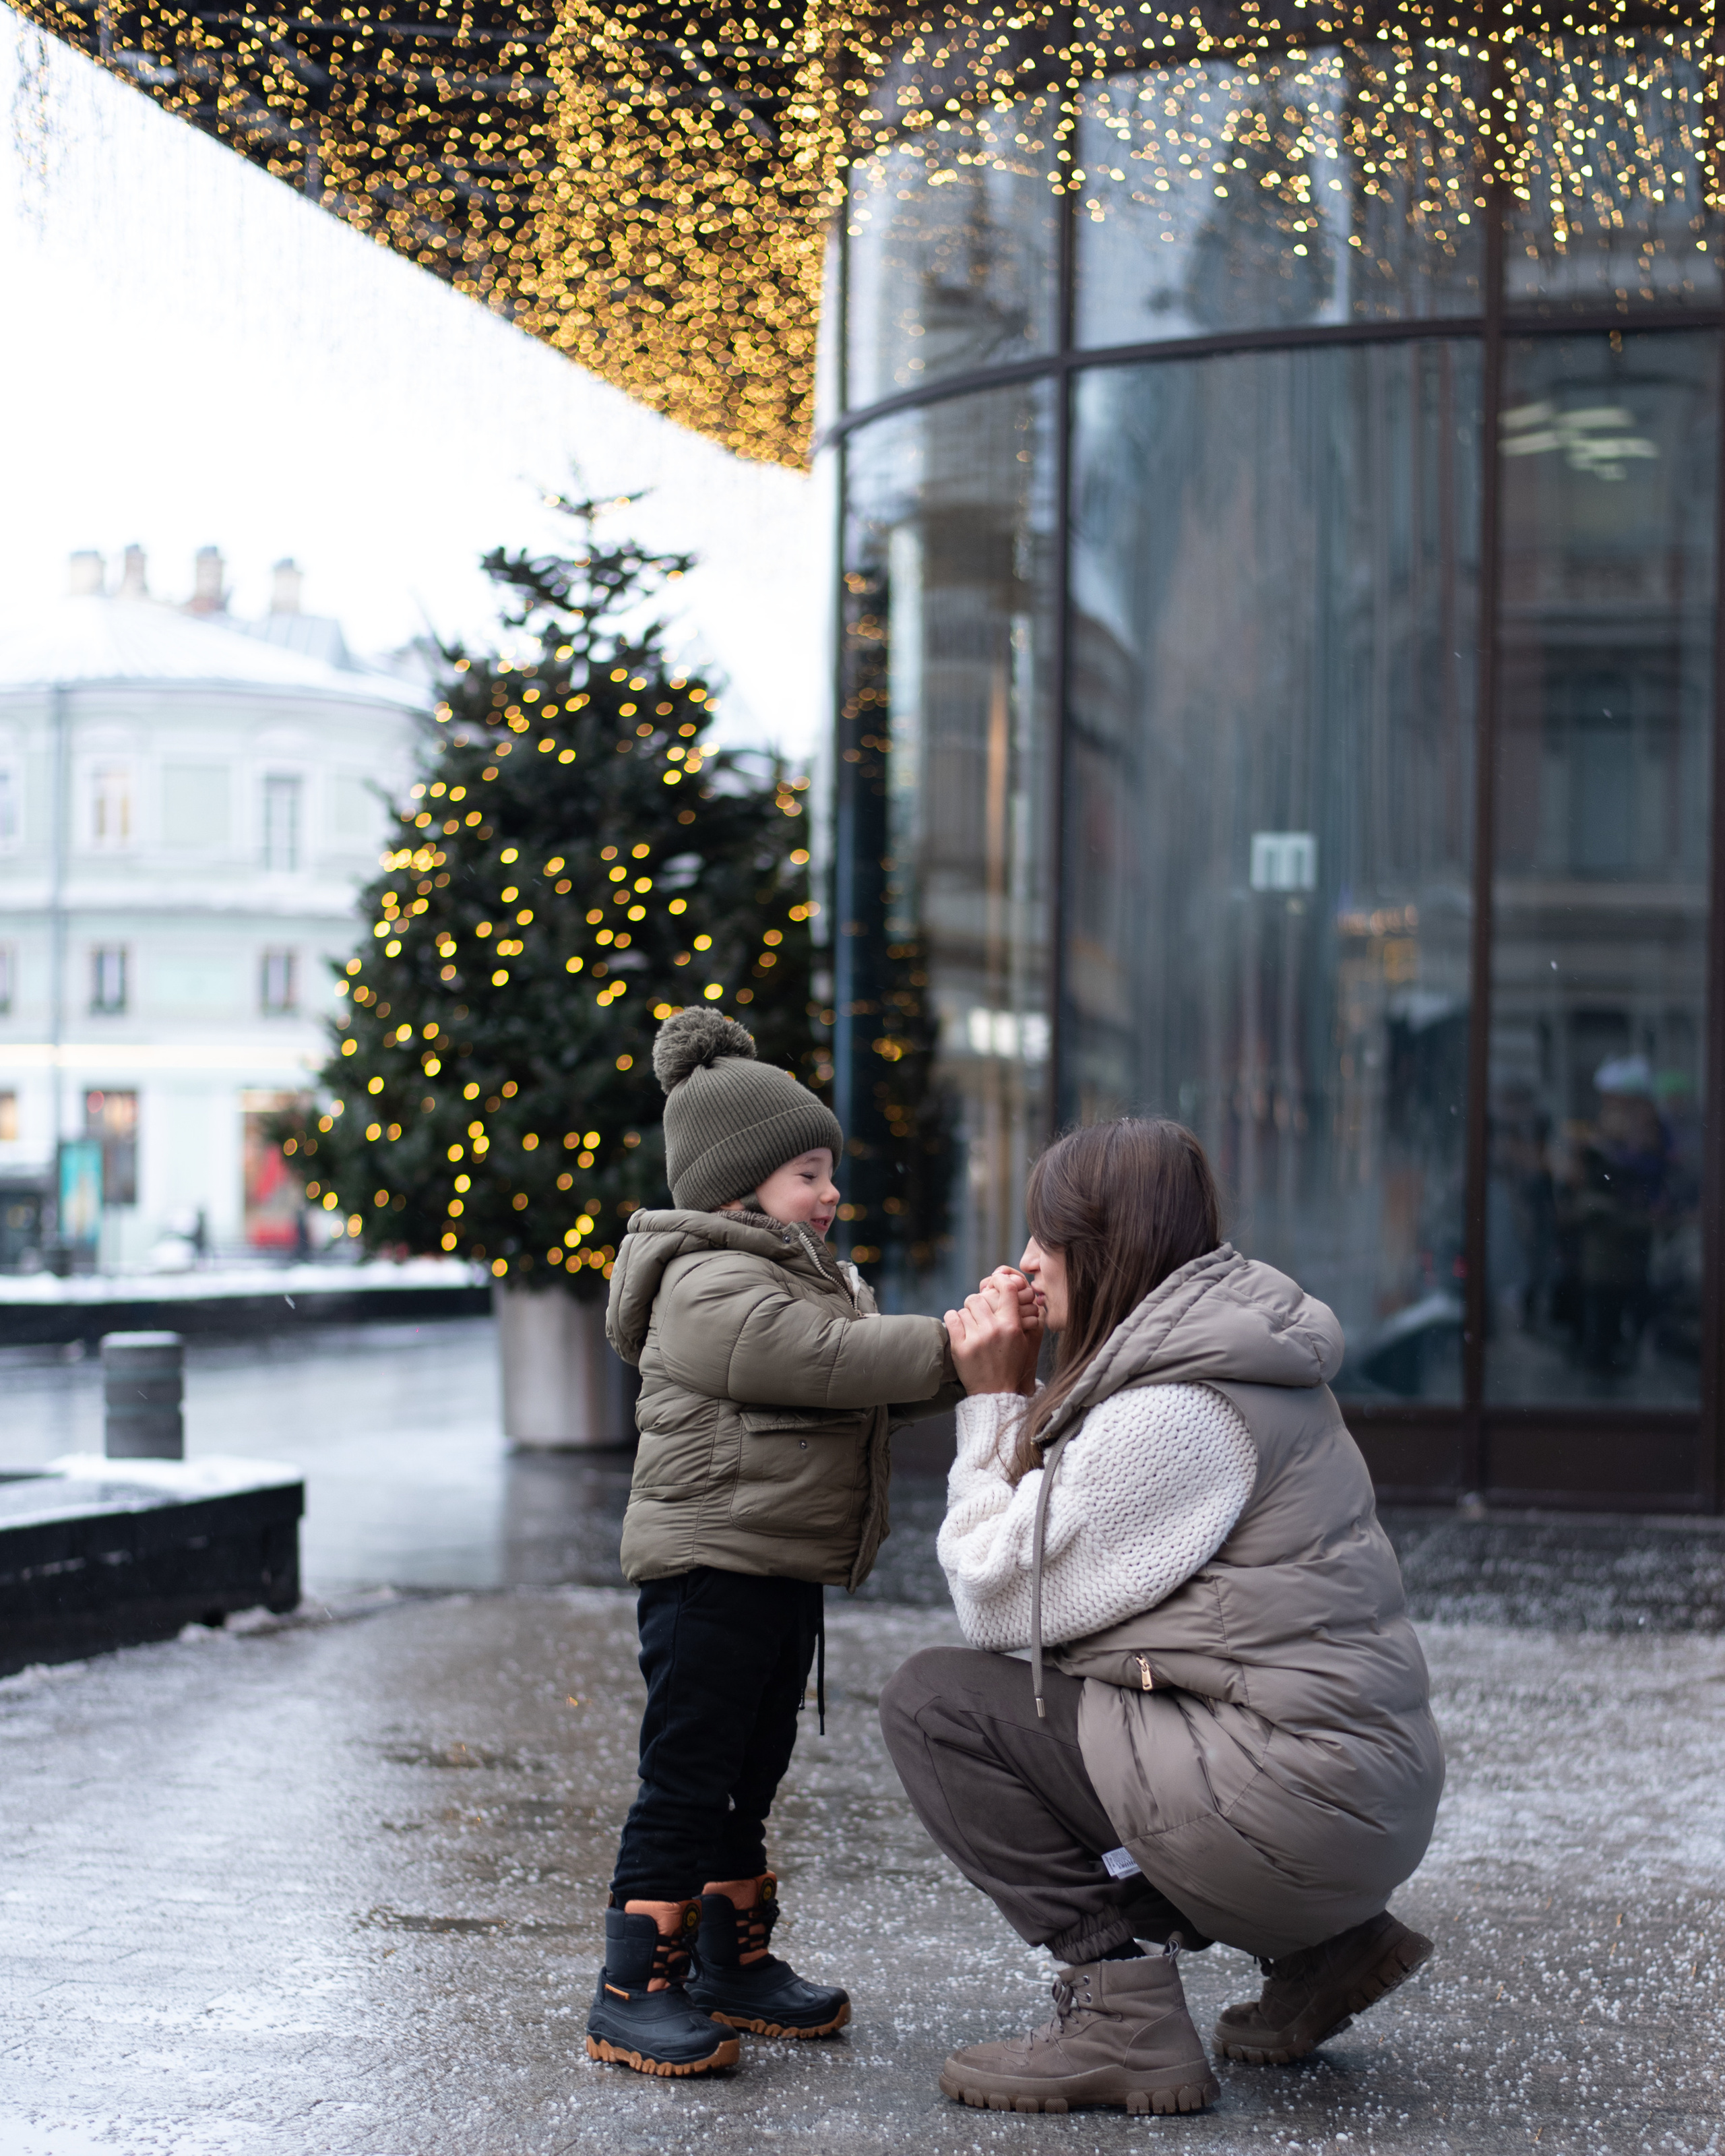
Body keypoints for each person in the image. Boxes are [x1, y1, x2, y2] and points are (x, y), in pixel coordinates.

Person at [879, 1117, 1444, 2118]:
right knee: (1111, 1690)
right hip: (1354, 1799)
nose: (1022, 1267)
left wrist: (994, 1404)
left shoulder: (1179, 1414)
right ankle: (1329, 1947)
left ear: (1105, 1249)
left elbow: (995, 1599)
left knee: (937, 1706)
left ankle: (1118, 2019)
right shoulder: (1228, 1357)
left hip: (1296, 1809)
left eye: (1043, 1245)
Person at [586, 1008, 962, 2078]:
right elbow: (827, 1362)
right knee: (688, 1772)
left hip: (775, 1564)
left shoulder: (801, 1277)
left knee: (751, 1769)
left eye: (829, 1171)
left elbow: (856, 1384)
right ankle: (632, 1984)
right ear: (735, 1189)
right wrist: (954, 1346)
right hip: (708, 1569)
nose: (830, 1192)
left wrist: (960, 1363)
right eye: (808, 1172)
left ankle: (729, 1963)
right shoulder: (708, 1282)